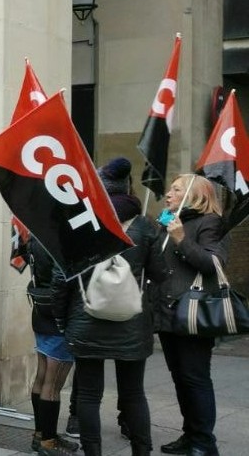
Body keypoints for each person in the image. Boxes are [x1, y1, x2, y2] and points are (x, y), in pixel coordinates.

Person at [50, 157, 168, 456]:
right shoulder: (144, 225)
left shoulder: (79, 222)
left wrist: (62, 320)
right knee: (133, 394)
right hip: (132, 323)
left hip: (85, 318)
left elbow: (60, 278)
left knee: (88, 395)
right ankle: (142, 451)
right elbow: (160, 274)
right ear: (127, 187)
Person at [152, 174, 226, 456]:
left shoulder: (211, 223)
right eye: (170, 188)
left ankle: (205, 443)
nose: (168, 193)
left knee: (195, 378)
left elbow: (213, 263)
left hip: (193, 313)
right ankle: (190, 434)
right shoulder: (168, 219)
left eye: (176, 189)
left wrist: (182, 240)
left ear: (194, 195)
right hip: (167, 312)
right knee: (180, 377)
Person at [24, 237, 80, 455]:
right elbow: (62, 279)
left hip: (41, 308)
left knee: (43, 374)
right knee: (53, 382)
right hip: (57, 314)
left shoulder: (37, 233)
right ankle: (49, 441)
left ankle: (40, 434)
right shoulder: (61, 236)